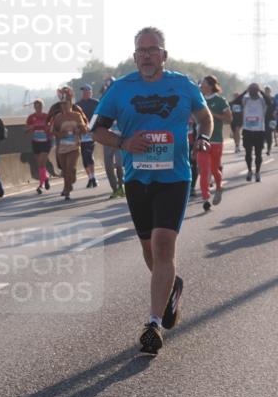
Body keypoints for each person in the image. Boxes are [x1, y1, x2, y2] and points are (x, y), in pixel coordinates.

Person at [91, 26, 213, 354]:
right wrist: (124, 142)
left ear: (164, 54)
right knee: (149, 249)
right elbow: (96, 129)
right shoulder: (120, 89)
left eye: (152, 49)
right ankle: (171, 287)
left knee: (162, 244)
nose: (147, 55)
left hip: (174, 177)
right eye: (141, 51)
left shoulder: (183, 85)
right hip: (137, 178)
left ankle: (153, 324)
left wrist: (203, 136)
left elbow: (205, 117)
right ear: (134, 56)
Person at [198, 74, 231, 211]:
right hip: (201, 140)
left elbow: (228, 119)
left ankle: (219, 186)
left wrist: (211, 115)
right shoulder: (199, 100)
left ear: (210, 86)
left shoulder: (220, 101)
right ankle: (205, 198)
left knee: (214, 169)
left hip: (216, 139)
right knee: (203, 170)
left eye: (203, 83)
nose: (201, 85)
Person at [49, 86, 88, 200]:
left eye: (66, 103)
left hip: (74, 147)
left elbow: (85, 130)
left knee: (70, 167)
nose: (64, 106)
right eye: (62, 104)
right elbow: (53, 131)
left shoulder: (77, 115)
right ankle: (67, 186)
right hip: (62, 148)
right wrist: (59, 134)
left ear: (71, 104)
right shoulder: (58, 117)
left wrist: (79, 129)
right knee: (65, 170)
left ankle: (67, 189)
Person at [240, 83, 268, 182]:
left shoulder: (262, 100)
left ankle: (257, 172)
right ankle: (249, 171)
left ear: (257, 91)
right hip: (247, 130)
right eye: (251, 91)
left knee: (258, 154)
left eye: (254, 90)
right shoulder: (245, 99)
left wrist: (261, 91)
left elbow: (270, 102)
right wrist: (245, 91)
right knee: (248, 153)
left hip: (259, 131)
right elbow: (235, 101)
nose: (252, 93)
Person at [76, 83, 100, 188]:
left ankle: (93, 177)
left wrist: (91, 127)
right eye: (83, 91)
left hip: (91, 132)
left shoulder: (95, 103)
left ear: (91, 92)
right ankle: (91, 178)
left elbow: (99, 115)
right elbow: (75, 119)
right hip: (81, 134)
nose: (85, 93)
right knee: (84, 158)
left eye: (87, 91)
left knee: (88, 154)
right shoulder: (77, 105)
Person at [25, 98, 52, 194]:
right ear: (34, 107)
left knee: (42, 162)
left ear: (42, 106)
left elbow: (51, 128)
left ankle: (41, 185)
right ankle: (46, 176)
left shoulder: (47, 116)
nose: (37, 108)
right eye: (36, 106)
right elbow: (26, 130)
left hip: (46, 142)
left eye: (39, 106)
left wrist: (46, 128)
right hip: (36, 143)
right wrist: (32, 127)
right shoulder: (31, 117)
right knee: (40, 164)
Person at [263, 85, 276, 157]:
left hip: (272, 119)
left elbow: (276, 107)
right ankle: (265, 143)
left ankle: (269, 149)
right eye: (266, 90)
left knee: (269, 133)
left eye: (268, 90)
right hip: (264, 118)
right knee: (265, 133)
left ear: (270, 91)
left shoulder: (273, 99)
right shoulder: (262, 99)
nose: (267, 92)